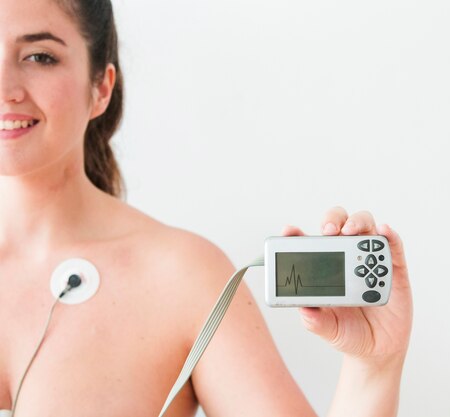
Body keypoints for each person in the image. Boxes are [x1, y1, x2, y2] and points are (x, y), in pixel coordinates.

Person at [0, 0, 413, 415]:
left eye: (39, 57)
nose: (5, 88)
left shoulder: (183, 279)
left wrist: (373, 366)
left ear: (101, 88)